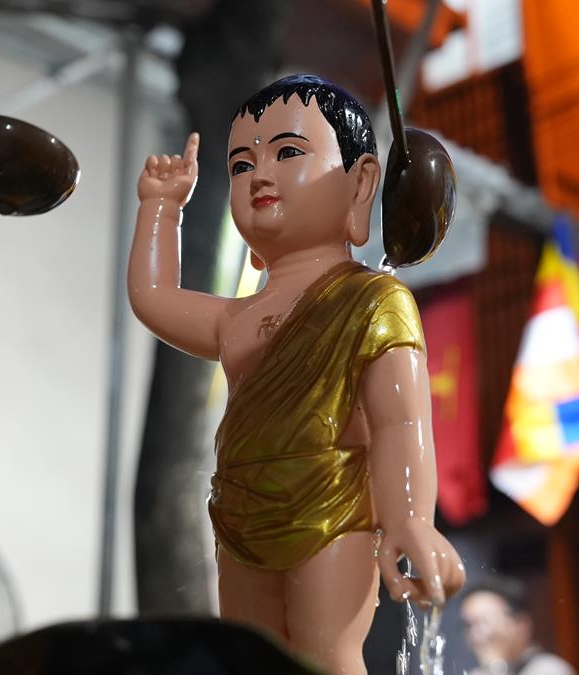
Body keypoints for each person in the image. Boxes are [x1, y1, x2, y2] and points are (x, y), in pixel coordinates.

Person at [127, 73, 465, 674]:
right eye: (241, 164)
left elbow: (399, 423)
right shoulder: (236, 318)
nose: (259, 175)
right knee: (251, 660)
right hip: (240, 516)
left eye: (287, 153)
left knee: (325, 653)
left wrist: (410, 517)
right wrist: (160, 208)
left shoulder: (372, 301)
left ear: (360, 183)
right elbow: (154, 298)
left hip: (332, 510)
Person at [461, 576, 576, 675]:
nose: (475, 635)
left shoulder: (549, 669)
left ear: (521, 624)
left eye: (485, 621)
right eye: (469, 625)